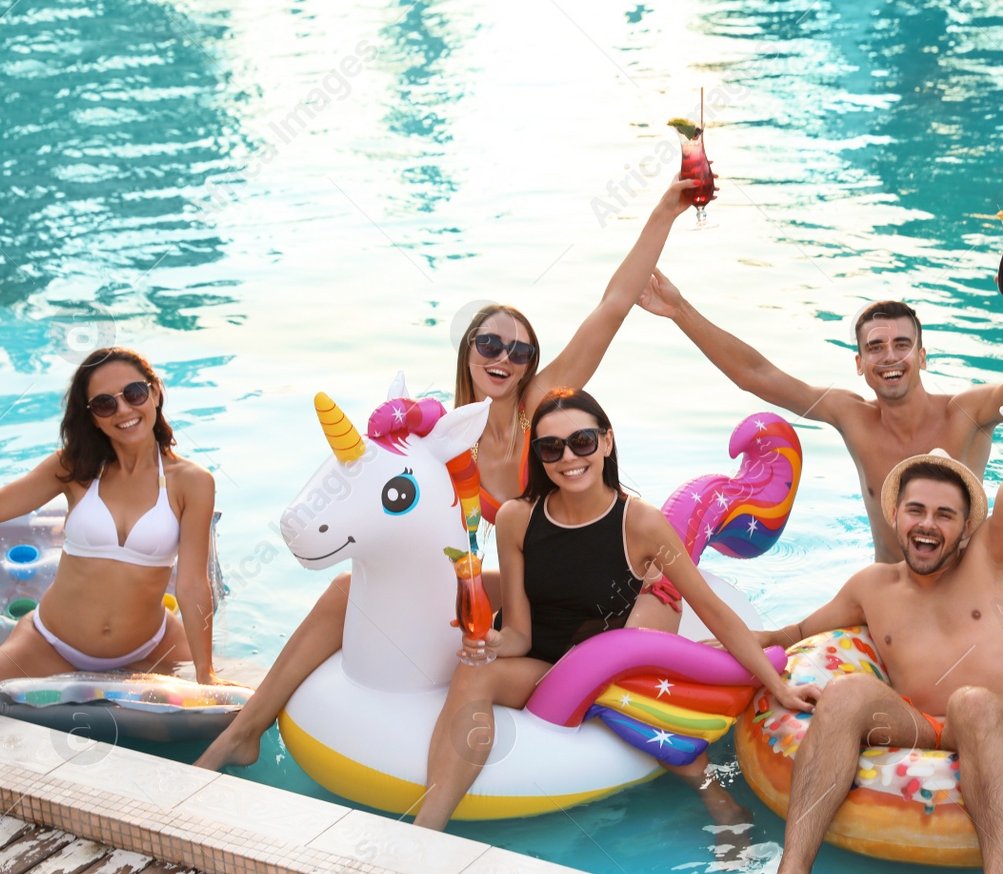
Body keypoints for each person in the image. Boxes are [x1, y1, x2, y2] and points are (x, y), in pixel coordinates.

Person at [197, 174, 699, 773]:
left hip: (571, 595)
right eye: (490, 343)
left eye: (519, 352)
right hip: (512, 588)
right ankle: (245, 729)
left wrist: (669, 206)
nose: (504, 359)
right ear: (467, 348)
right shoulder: (433, 438)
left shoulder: (539, 414)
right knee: (344, 588)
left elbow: (613, 305)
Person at [734, 371, 1003, 874]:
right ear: (896, 517)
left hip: (1000, 717)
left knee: (970, 701)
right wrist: (726, 643)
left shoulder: (998, 556)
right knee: (849, 691)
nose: (927, 524)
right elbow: (795, 634)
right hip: (919, 724)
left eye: (944, 514)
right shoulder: (872, 585)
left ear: (966, 528)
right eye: (916, 510)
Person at [418, 389, 822, 830]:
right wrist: (494, 642)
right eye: (551, 447)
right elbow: (520, 633)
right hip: (539, 664)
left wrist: (776, 687)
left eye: (583, 441)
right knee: (473, 672)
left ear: (607, 442)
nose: (568, 457)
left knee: (634, 697)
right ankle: (427, 832)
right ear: (539, 457)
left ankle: (719, 802)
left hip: (603, 667)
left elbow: (713, 611)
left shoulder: (641, 523)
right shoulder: (518, 517)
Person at [636, 268, 1003, 609]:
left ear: (922, 356)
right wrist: (680, 310)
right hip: (897, 593)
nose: (890, 357)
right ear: (859, 363)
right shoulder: (852, 417)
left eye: (902, 345)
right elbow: (757, 376)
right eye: (876, 347)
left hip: (970, 588)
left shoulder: (966, 413)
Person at [0, 347, 217, 701]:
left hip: (149, 648)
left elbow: (191, 585)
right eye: (104, 404)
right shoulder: (75, 467)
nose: (124, 410)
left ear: (155, 392)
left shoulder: (192, 481)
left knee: (229, 714)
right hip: (49, 643)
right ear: (93, 417)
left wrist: (206, 673)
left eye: (134, 393)